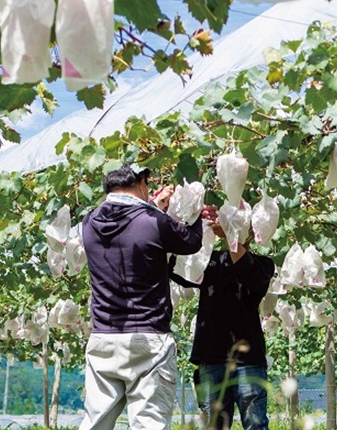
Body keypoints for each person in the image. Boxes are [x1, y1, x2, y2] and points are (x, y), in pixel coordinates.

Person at [79, 163, 213, 430]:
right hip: (148, 339)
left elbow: (132, 227)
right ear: (141, 183)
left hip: (103, 338)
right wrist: (197, 214)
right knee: (149, 424)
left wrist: (153, 206)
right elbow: (190, 242)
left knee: (96, 423)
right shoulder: (153, 221)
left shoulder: (89, 222)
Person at [171, 217, 276, 430]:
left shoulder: (263, 265)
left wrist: (229, 233)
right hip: (211, 359)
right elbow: (179, 271)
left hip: (248, 361)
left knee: (255, 424)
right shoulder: (210, 261)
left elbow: (245, 268)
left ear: (251, 234)